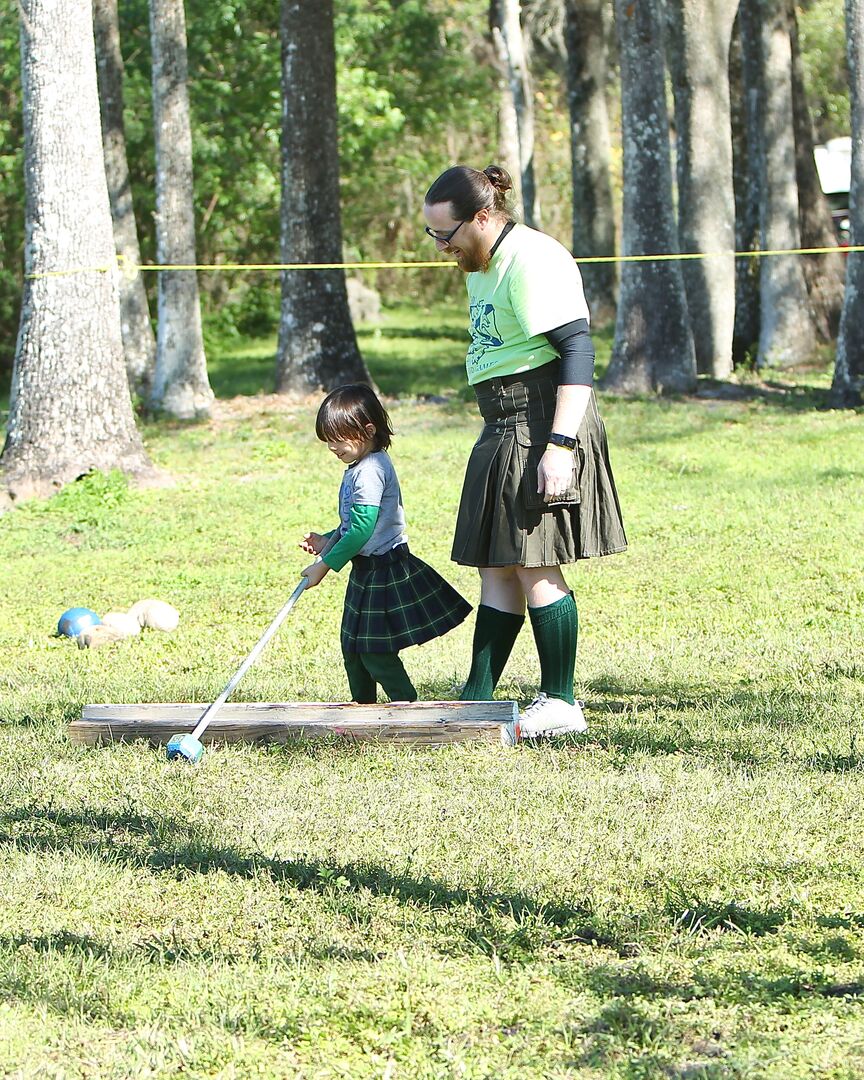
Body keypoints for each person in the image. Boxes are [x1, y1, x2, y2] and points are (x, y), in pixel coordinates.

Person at [423, 164, 627, 739]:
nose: (442, 247)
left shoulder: (532, 260)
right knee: (498, 564)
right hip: (502, 419)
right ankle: (477, 696)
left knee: (537, 564)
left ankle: (561, 702)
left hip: (542, 418)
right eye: (434, 235)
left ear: (483, 217)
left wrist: (560, 445)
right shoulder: (479, 261)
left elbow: (577, 353)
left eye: (448, 233)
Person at [300, 384, 472, 704]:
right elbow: (353, 526)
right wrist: (327, 541)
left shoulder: (371, 471)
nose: (332, 448)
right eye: (328, 441)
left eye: (338, 439)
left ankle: (407, 708)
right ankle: (361, 711)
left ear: (368, 430)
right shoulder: (357, 467)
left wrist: (323, 566)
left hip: (384, 571)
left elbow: (362, 531)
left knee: (376, 653)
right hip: (365, 570)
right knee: (352, 649)